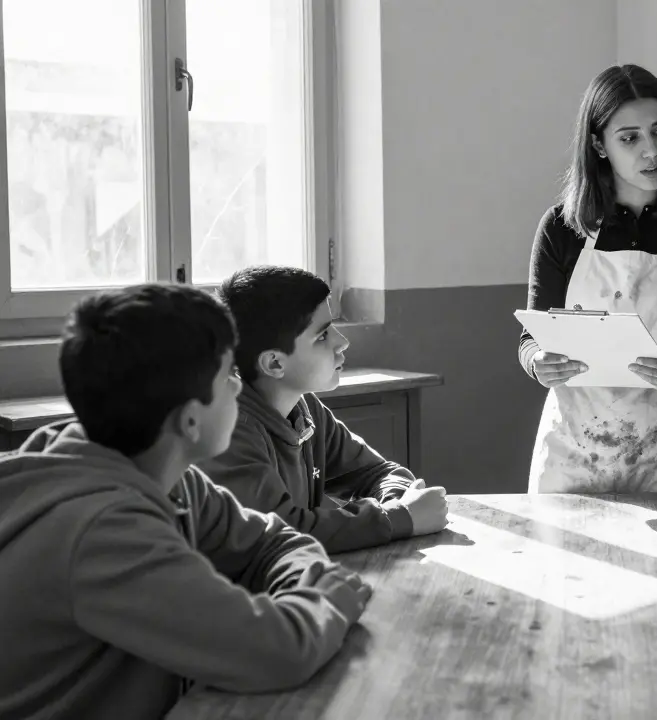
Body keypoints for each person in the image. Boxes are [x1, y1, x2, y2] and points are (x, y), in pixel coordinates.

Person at [0, 284, 371, 719]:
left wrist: (304, 583)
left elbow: (273, 542)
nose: (239, 388)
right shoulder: (102, 533)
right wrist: (326, 599)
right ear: (191, 420)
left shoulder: (163, 476)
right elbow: (275, 652)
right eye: (228, 375)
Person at [519, 64, 657, 493]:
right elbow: (531, 338)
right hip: (576, 453)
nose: (652, 152)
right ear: (598, 145)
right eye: (629, 138)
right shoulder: (561, 229)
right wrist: (538, 363)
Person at [201, 266, 447, 554]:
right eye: (322, 335)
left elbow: (378, 472)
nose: (342, 342)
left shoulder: (302, 407)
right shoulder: (229, 428)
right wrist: (397, 518)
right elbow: (278, 535)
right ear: (275, 364)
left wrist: (398, 504)